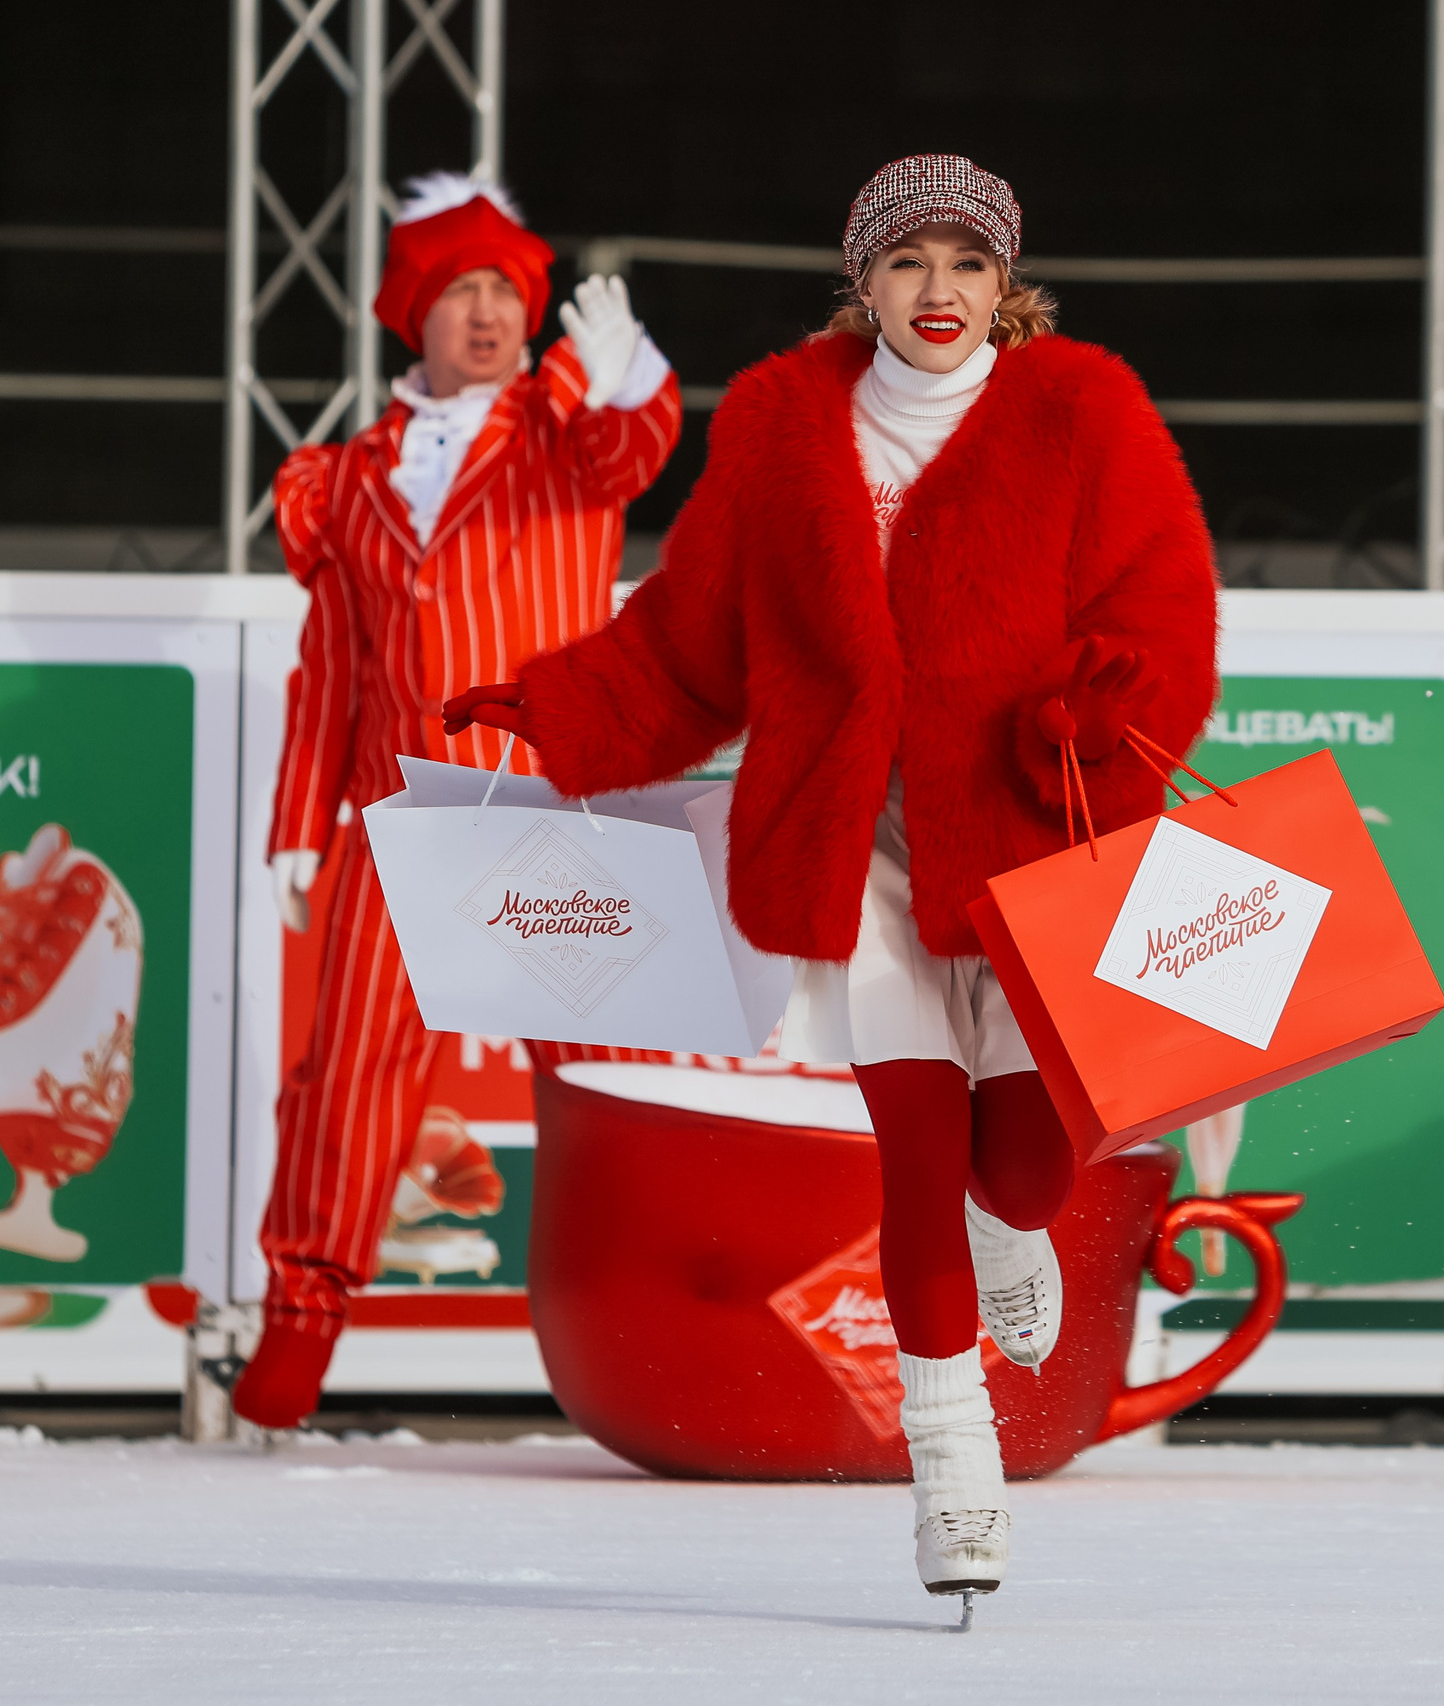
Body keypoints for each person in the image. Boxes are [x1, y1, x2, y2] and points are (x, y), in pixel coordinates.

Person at [446, 154, 1217, 1596]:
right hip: (848, 833)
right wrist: (549, 709)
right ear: (857, 282)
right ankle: (955, 1465)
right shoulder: (785, 424)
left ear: (1008, 286)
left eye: (969, 264)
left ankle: (1014, 1223)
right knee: (917, 1147)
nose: (941, 292)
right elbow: (690, 642)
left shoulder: (1081, 409)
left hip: (1032, 829)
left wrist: (1120, 696)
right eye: (908, 263)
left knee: (1032, 1155)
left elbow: (1163, 603)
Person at [237, 174, 683, 1430]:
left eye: (505, 289)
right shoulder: (348, 477)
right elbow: (332, 664)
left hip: (551, 802)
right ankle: (301, 1320)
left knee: (617, 1074)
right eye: (460, 290)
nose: (487, 312)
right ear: (412, 314)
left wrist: (631, 371)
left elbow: (634, 449)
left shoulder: (560, 423)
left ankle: (660, 1316)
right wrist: (297, 822)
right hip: (404, 820)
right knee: (351, 1074)